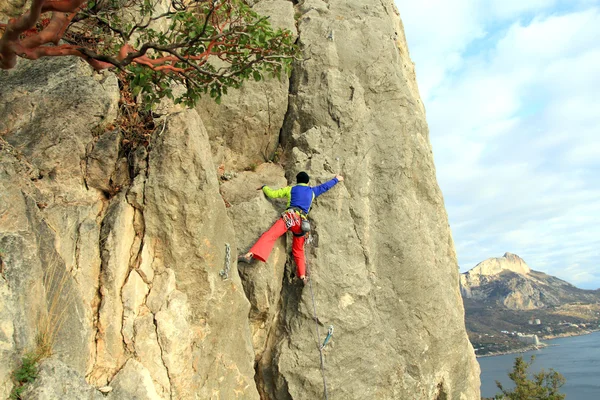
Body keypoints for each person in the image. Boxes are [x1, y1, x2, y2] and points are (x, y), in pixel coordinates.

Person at [238, 171, 344, 283]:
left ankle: (250, 254)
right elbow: (325, 187)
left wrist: (264, 187)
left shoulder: (290, 189)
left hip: (289, 218)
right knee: (298, 250)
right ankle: (302, 276)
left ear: (297, 181)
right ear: (308, 182)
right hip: (302, 224)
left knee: (270, 235)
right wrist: (336, 179)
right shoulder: (312, 191)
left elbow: (273, 194)